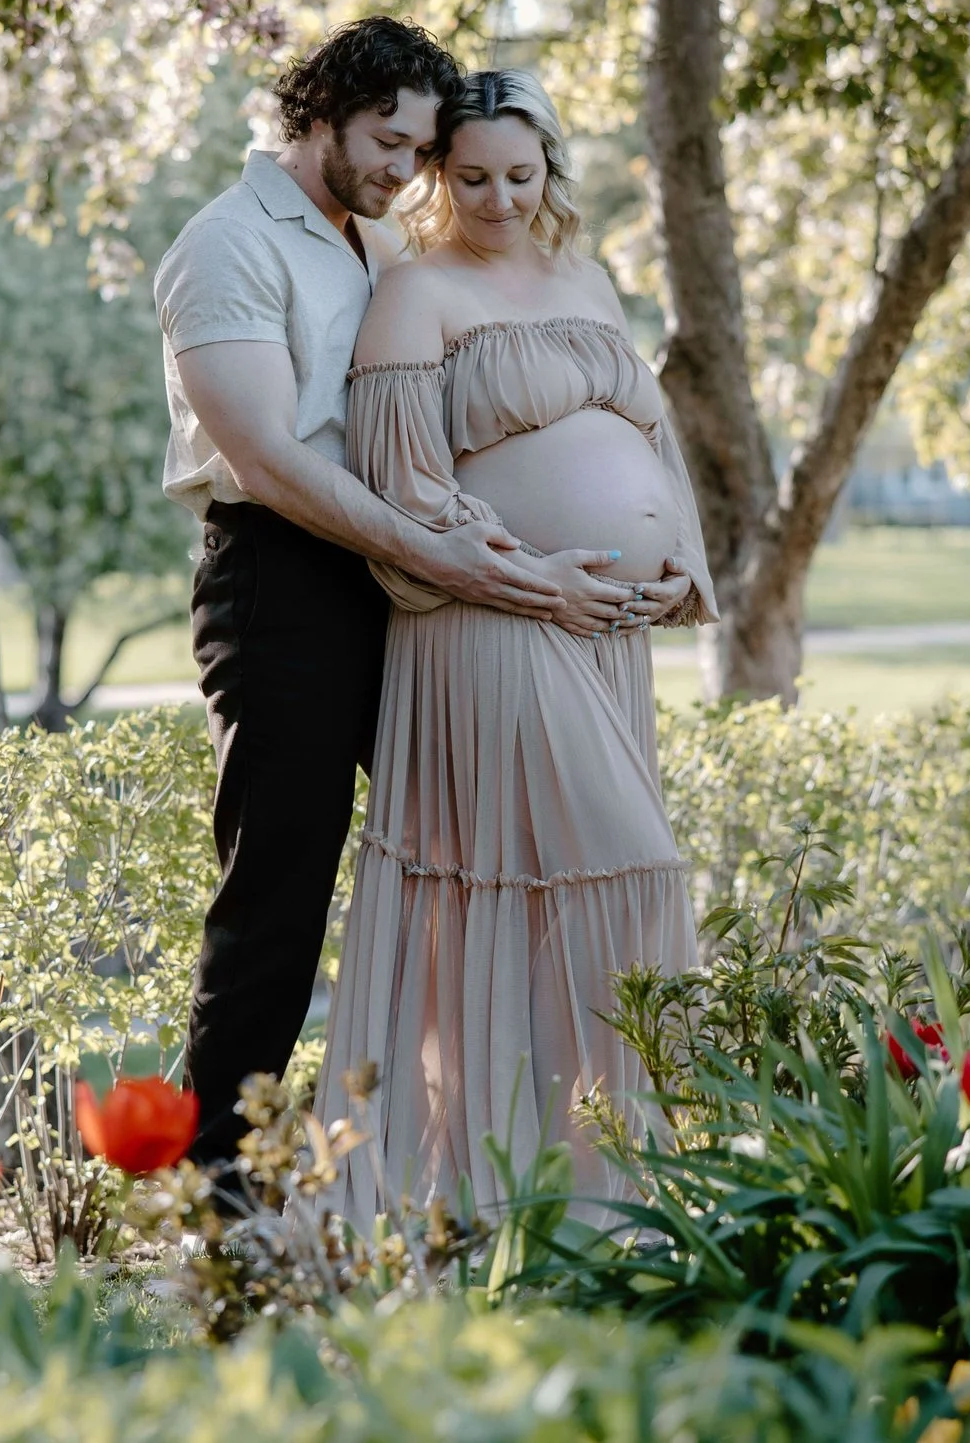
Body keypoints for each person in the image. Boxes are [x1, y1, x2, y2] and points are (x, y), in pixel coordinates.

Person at [157, 20, 641, 1172]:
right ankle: (215, 1198)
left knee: (474, 854)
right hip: (284, 580)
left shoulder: (370, 245)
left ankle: (470, 1153)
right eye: (386, 141)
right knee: (280, 886)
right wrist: (455, 559)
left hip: (414, 580)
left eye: (420, 154)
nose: (401, 174)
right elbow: (272, 461)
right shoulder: (227, 245)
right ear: (318, 107)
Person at [313, 69, 710, 1218]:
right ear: (439, 177)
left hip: (605, 635)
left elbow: (648, 427)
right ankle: (517, 1184)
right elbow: (405, 487)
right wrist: (538, 581)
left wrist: (676, 551)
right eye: (470, 175)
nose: (496, 198)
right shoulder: (415, 295)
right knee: (627, 872)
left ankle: (584, 1187)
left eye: (519, 176)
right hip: (489, 622)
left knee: (563, 890)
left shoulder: (583, 276)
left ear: (551, 173)